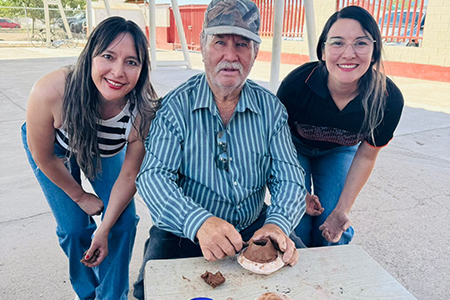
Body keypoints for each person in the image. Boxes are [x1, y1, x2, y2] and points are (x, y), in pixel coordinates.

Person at [132, 0, 306, 298]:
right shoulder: (176, 107)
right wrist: (198, 222)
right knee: (150, 292)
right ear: (202, 46)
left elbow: (289, 177)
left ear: (255, 52)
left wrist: (278, 223)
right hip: (184, 230)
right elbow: (153, 177)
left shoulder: (271, 109)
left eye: (242, 44)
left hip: (257, 228)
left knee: (307, 283)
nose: (230, 55)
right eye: (220, 42)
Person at [21, 16, 159, 300]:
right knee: (73, 229)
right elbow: (43, 156)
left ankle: (111, 296)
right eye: (108, 56)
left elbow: (130, 175)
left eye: (131, 62)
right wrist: (80, 196)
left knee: (123, 222)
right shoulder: (51, 91)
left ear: (142, 69)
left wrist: (104, 229)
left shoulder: (143, 111)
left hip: (106, 148)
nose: (118, 71)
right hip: (55, 148)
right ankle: (86, 293)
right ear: (90, 55)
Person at [277, 6, 404, 248]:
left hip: (339, 151)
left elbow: (367, 156)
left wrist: (342, 209)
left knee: (333, 226)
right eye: (337, 43)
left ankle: (329, 283)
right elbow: (274, 145)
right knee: (297, 223)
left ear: (375, 52)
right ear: (322, 51)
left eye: (361, 43)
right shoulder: (296, 86)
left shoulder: (388, 98)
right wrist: (295, 191)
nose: (348, 53)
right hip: (293, 149)